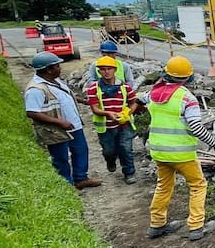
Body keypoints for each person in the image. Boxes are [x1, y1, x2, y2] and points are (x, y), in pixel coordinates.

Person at [139, 56, 215, 242]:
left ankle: (156, 224)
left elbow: (139, 98)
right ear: (188, 77)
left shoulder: (154, 93)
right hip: (182, 154)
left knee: (163, 185)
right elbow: (196, 128)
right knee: (197, 185)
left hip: (159, 152)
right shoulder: (187, 97)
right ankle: (196, 226)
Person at [24, 52, 101, 190]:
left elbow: (65, 95)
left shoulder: (56, 81)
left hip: (73, 125)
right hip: (56, 130)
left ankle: (81, 178)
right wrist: (59, 122)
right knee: (61, 158)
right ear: (49, 69)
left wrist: (83, 101)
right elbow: (32, 112)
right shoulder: (36, 89)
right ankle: (67, 185)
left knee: (81, 151)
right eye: (57, 66)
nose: (60, 68)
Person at [85, 56, 137, 184]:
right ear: (99, 71)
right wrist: (108, 113)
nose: (106, 72)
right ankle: (110, 160)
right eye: (103, 69)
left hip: (124, 125)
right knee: (109, 150)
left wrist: (127, 113)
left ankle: (129, 172)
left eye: (109, 69)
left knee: (126, 148)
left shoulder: (124, 87)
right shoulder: (93, 89)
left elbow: (133, 102)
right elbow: (95, 108)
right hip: (106, 127)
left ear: (115, 70)